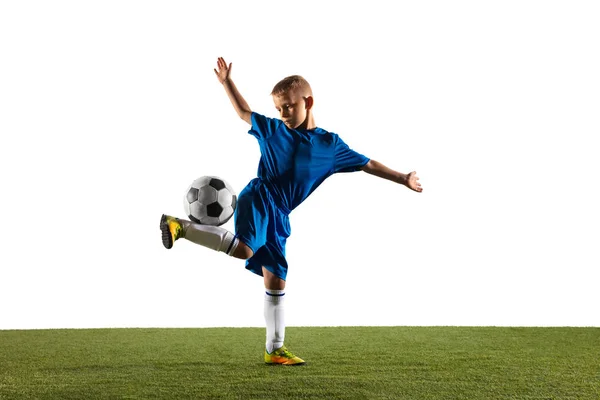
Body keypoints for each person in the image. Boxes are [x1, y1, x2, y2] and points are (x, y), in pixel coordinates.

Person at [160, 57, 423, 366]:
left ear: (307, 102)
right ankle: (179, 227)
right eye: (278, 108)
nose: (283, 113)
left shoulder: (331, 145)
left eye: (288, 106)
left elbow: (368, 164)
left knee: (276, 280)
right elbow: (244, 113)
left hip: (281, 213)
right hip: (260, 196)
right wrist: (227, 82)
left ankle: (274, 350)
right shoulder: (273, 130)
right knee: (245, 250)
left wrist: (403, 178)